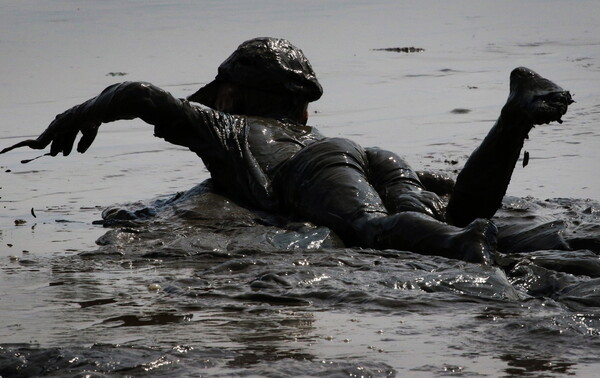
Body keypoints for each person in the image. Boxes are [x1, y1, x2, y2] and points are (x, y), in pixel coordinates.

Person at [0, 37, 572, 264]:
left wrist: (78, 112)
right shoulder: (310, 130)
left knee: (371, 226)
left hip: (317, 168)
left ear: (231, 91)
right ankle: (511, 124)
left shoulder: (228, 126)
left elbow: (139, 93)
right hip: (369, 155)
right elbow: (439, 181)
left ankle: (465, 246)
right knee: (442, 209)